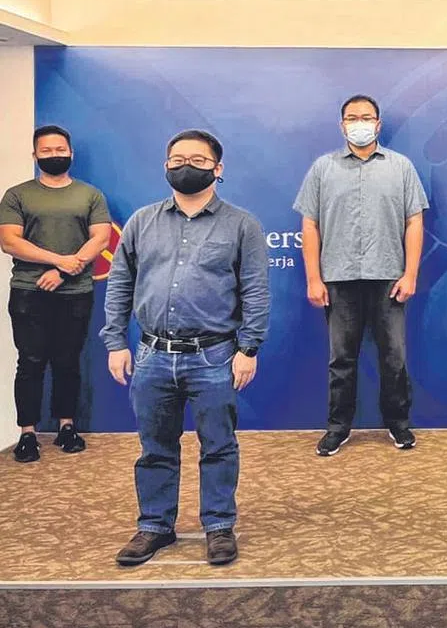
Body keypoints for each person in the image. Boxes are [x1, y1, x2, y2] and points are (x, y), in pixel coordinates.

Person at [102, 130, 269, 567]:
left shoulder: (242, 224)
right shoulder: (142, 221)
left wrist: (249, 348)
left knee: (218, 446)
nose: (185, 166)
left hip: (215, 355)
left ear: (218, 168)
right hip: (152, 355)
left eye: (197, 159)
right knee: (155, 447)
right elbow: (120, 282)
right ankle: (155, 525)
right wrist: (115, 341)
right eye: (177, 159)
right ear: (165, 166)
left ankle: (219, 525)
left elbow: (254, 290)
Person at [295, 95, 428, 456]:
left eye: (366, 117)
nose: (360, 123)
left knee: (394, 357)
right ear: (342, 126)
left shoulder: (400, 167)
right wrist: (313, 279)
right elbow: (310, 225)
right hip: (338, 278)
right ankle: (338, 427)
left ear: (378, 124)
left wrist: (410, 274)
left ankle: (398, 423)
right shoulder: (323, 168)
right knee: (341, 359)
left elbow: (414, 222)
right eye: (352, 118)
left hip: (389, 277)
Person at [0, 125, 111, 463]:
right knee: (30, 363)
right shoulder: (17, 195)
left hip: (75, 292)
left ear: (71, 153)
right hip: (28, 292)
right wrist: (57, 260)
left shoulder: (90, 195)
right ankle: (28, 433)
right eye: (46, 151)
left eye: (60, 149)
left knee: (67, 361)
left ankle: (67, 427)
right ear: (35, 155)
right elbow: (9, 241)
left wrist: (63, 271)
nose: (54, 155)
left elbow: (101, 238)